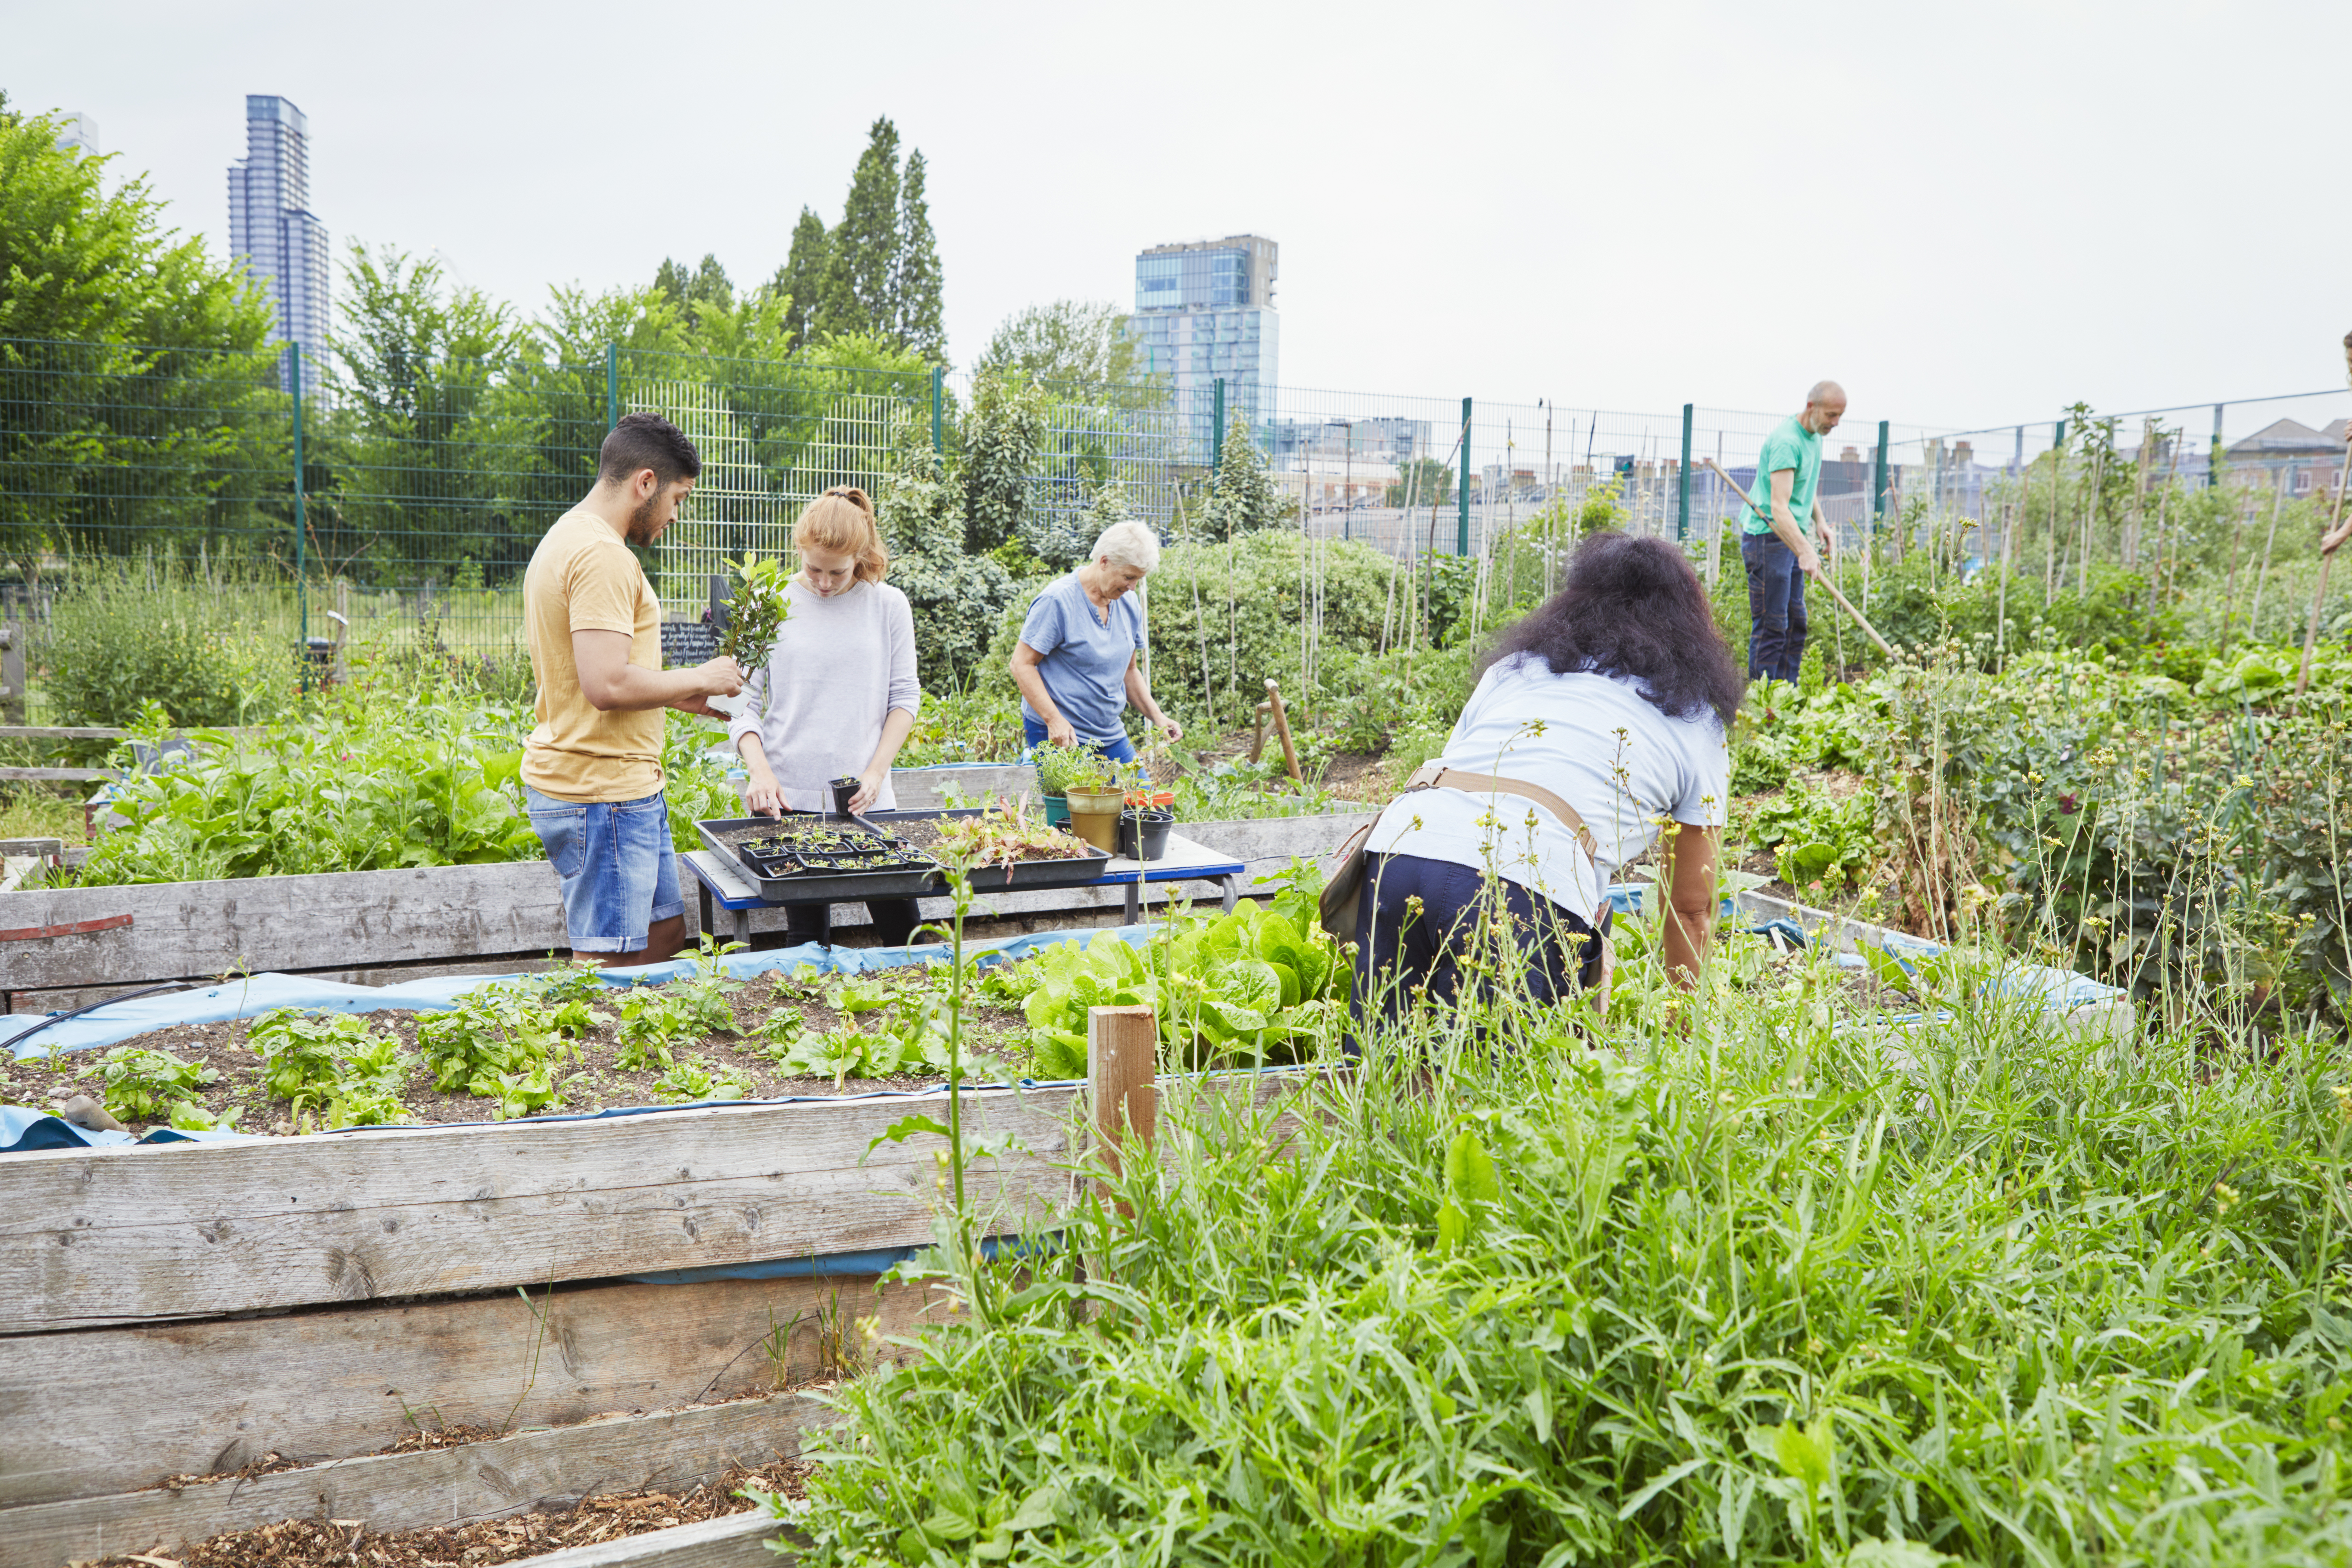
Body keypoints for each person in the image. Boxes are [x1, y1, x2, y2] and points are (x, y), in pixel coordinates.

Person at [1352, 531, 1741, 1027]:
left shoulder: (1513, 672)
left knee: (1385, 1068)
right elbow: (1689, 910)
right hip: (1520, 881)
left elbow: (1465, 784)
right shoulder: (1694, 720)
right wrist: (1686, 1032)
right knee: (1501, 1095)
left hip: (1402, 852)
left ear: (1576, 604)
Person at [522, 412, 745, 967]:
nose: (676, 514)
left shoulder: (569, 536)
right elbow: (606, 683)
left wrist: (673, 694)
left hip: (619, 788)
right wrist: (703, 676)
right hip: (601, 792)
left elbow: (591, 674)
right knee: (611, 963)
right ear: (645, 482)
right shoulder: (602, 556)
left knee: (663, 936)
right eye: (677, 497)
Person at [728, 485, 924, 947]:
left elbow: (905, 697)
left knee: (909, 939)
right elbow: (738, 702)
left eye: (837, 572)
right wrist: (759, 771)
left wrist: (876, 772)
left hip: (869, 802)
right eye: (813, 568)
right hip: (789, 802)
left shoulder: (888, 605)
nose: (823, 583)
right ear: (799, 549)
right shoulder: (768, 603)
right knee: (806, 946)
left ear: (860, 556)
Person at [1008, 521, 1183, 765]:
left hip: (1109, 733)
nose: (1132, 587)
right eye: (1129, 577)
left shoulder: (1128, 603)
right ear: (1104, 562)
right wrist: (1054, 720)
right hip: (1062, 735)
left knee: (1143, 802)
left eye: (1138, 580)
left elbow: (1130, 671)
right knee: (1072, 803)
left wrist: (1159, 718)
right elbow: (1021, 664)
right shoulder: (1058, 601)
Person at [1741, 381, 1844, 685]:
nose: (1835, 423)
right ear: (1811, 407)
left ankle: (1788, 696)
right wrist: (1805, 551)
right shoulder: (1787, 441)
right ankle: (1763, 705)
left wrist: (1820, 522)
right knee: (1773, 625)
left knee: (1796, 623)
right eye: (1830, 415)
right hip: (1768, 538)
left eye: (1839, 416)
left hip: (1791, 539)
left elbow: (1804, 485)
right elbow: (1778, 507)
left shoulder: (1814, 436)